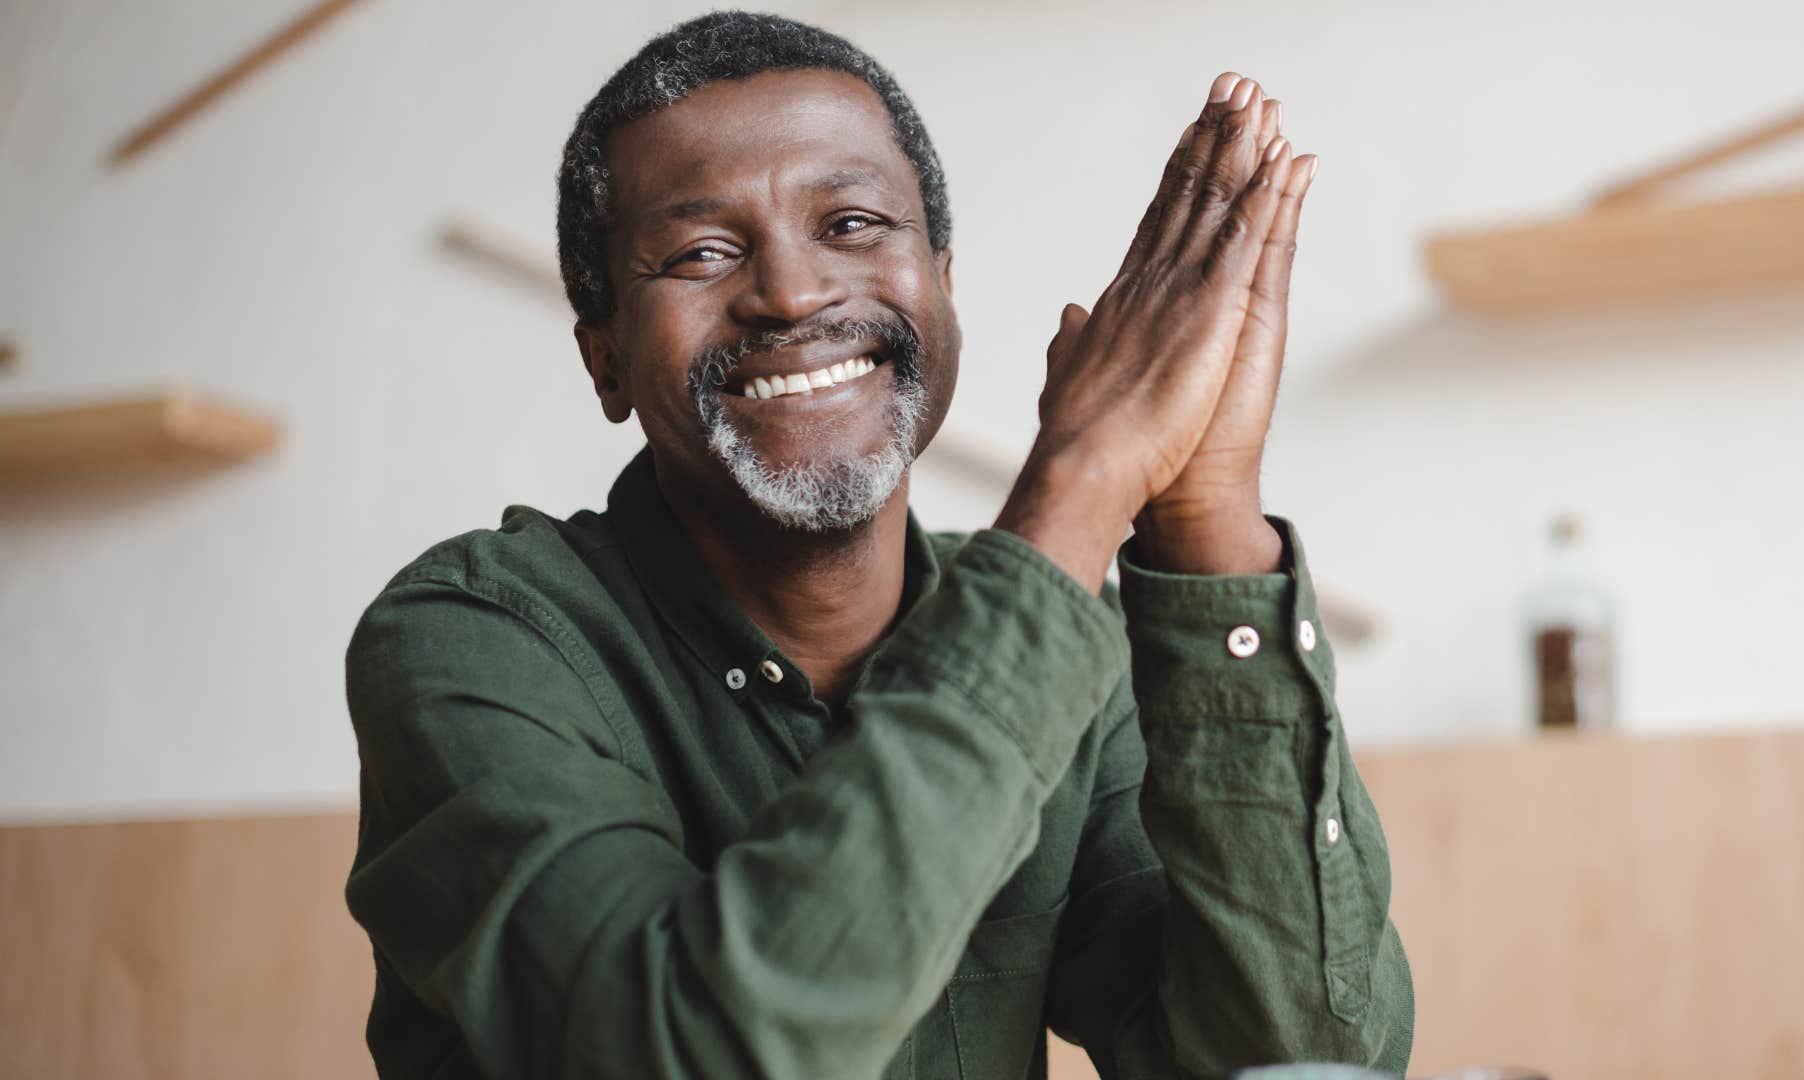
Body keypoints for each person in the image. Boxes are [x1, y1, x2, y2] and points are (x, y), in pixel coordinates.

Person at [344, 11, 1413, 1079]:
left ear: (943, 287)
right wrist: (1079, 489)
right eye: (701, 252)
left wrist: (1204, 514)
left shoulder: (1079, 659)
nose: (794, 294)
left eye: (851, 225)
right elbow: (691, 1048)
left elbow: (1296, 1056)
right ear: (605, 359)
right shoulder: (473, 641)